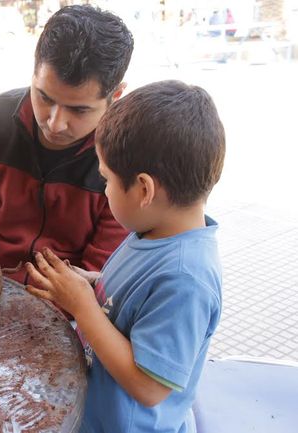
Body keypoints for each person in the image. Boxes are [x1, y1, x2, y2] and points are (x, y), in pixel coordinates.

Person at [25, 80, 226, 433]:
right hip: (95, 414)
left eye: (107, 180)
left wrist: (83, 306)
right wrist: (90, 284)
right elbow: (133, 305)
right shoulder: (153, 232)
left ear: (144, 189)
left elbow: (149, 387)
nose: (104, 190)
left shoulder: (185, 279)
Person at [0, 5, 133, 283]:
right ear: (33, 74)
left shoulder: (125, 156)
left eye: (78, 110)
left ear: (115, 95)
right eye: (44, 97)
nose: (55, 123)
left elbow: (102, 271)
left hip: (73, 306)